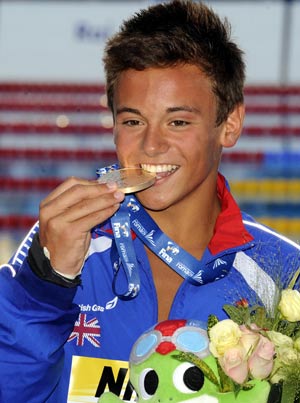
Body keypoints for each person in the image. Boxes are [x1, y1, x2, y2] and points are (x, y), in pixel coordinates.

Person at [0, 1, 299, 402]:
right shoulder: (63, 246)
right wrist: (43, 289)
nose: (151, 145)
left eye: (178, 121)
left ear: (230, 124)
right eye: (132, 121)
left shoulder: (284, 274)